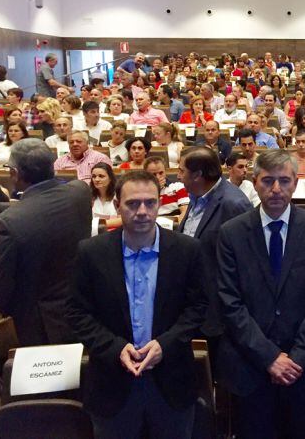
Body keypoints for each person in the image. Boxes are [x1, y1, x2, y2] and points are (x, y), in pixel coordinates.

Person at [66, 170, 207, 439]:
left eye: (150, 202)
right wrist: (115, 348)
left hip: (171, 382)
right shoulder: (91, 252)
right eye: (132, 204)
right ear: (117, 205)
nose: (142, 211)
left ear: (159, 203)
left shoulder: (187, 250)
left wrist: (165, 344)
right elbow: (77, 313)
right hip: (112, 383)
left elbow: (199, 308)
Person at [216, 150, 305, 439]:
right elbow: (230, 303)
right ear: (255, 182)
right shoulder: (231, 233)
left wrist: (295, 359)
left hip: (304, 366)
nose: (276, 189)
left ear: (296, 183)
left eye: (284, 181)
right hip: (252, 367)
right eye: (268, 181)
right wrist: (270, 357)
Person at [0, 139, 91, 345]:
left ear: (14, 173)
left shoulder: (6, 225)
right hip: (81, 309)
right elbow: (42, 206)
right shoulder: (80, 192)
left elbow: (0, 292)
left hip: (36, 327)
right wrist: (0, 207)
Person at [178, 146, 251, 359]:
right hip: (196, 303)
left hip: (218, 313)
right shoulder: (197, 196)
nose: (178, 175)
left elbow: (245, 265)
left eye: (182, 171)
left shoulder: (233, 204)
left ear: (198, 175)